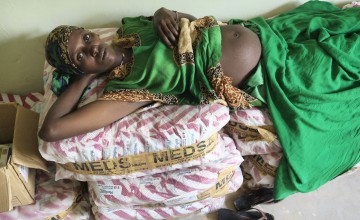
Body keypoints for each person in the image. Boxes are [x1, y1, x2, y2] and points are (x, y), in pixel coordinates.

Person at [39, 1, 360, 201]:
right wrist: (85, 77)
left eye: (85, 39)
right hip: (273, 73)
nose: (91, 48)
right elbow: (52, 130)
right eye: (81, 56)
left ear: (90, 32)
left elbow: (193, 26)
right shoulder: (127, 89)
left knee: (344, 29)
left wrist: (168, 13)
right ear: (80, 69)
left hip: (269, 37)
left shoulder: (132, 27)